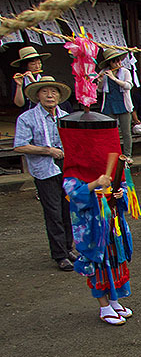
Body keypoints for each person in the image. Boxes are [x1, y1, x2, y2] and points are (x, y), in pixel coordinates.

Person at [59, 120, 136, 326]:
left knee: (116, 260)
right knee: (98, 264)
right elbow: (73, 195)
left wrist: (120, 193)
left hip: (113, 225)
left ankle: (114, 300)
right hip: (93, 229)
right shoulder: (73, 172)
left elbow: (122, 186)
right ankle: (103, 306)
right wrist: (94, 184)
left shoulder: (107, 168)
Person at [12, 76, 76, 271]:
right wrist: (47, 150)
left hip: (65, 168)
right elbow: (20, 145)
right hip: (44, 170)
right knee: (53, 212)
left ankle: (68, 247)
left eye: (54, 91)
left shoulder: (65, 116)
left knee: (67, 210)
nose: (50, 95)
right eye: (45, 91)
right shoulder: (27, 118)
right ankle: (59, 255)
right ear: (38, 95)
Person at [96, 49, 134, 158]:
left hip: (123, 104)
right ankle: (112, 154)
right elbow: (99, 90)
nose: (118, 63)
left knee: (126, 132)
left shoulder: (125, 72)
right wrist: (101, 81)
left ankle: (127, 155)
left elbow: (128, 86)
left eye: (119, 60)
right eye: (115, 61)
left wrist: (114, 78)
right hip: (109, 103)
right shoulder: (104, 72)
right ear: (110, 63)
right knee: (111, 132)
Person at [11, 45, 50, 110]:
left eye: (39, 63)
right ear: (25, 66)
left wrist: (33, 82)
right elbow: (19, 104)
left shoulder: (44, 78)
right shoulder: (19, 79)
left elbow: (46, 98)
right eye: (33, 64)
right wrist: (19, 86)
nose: (37, 67)